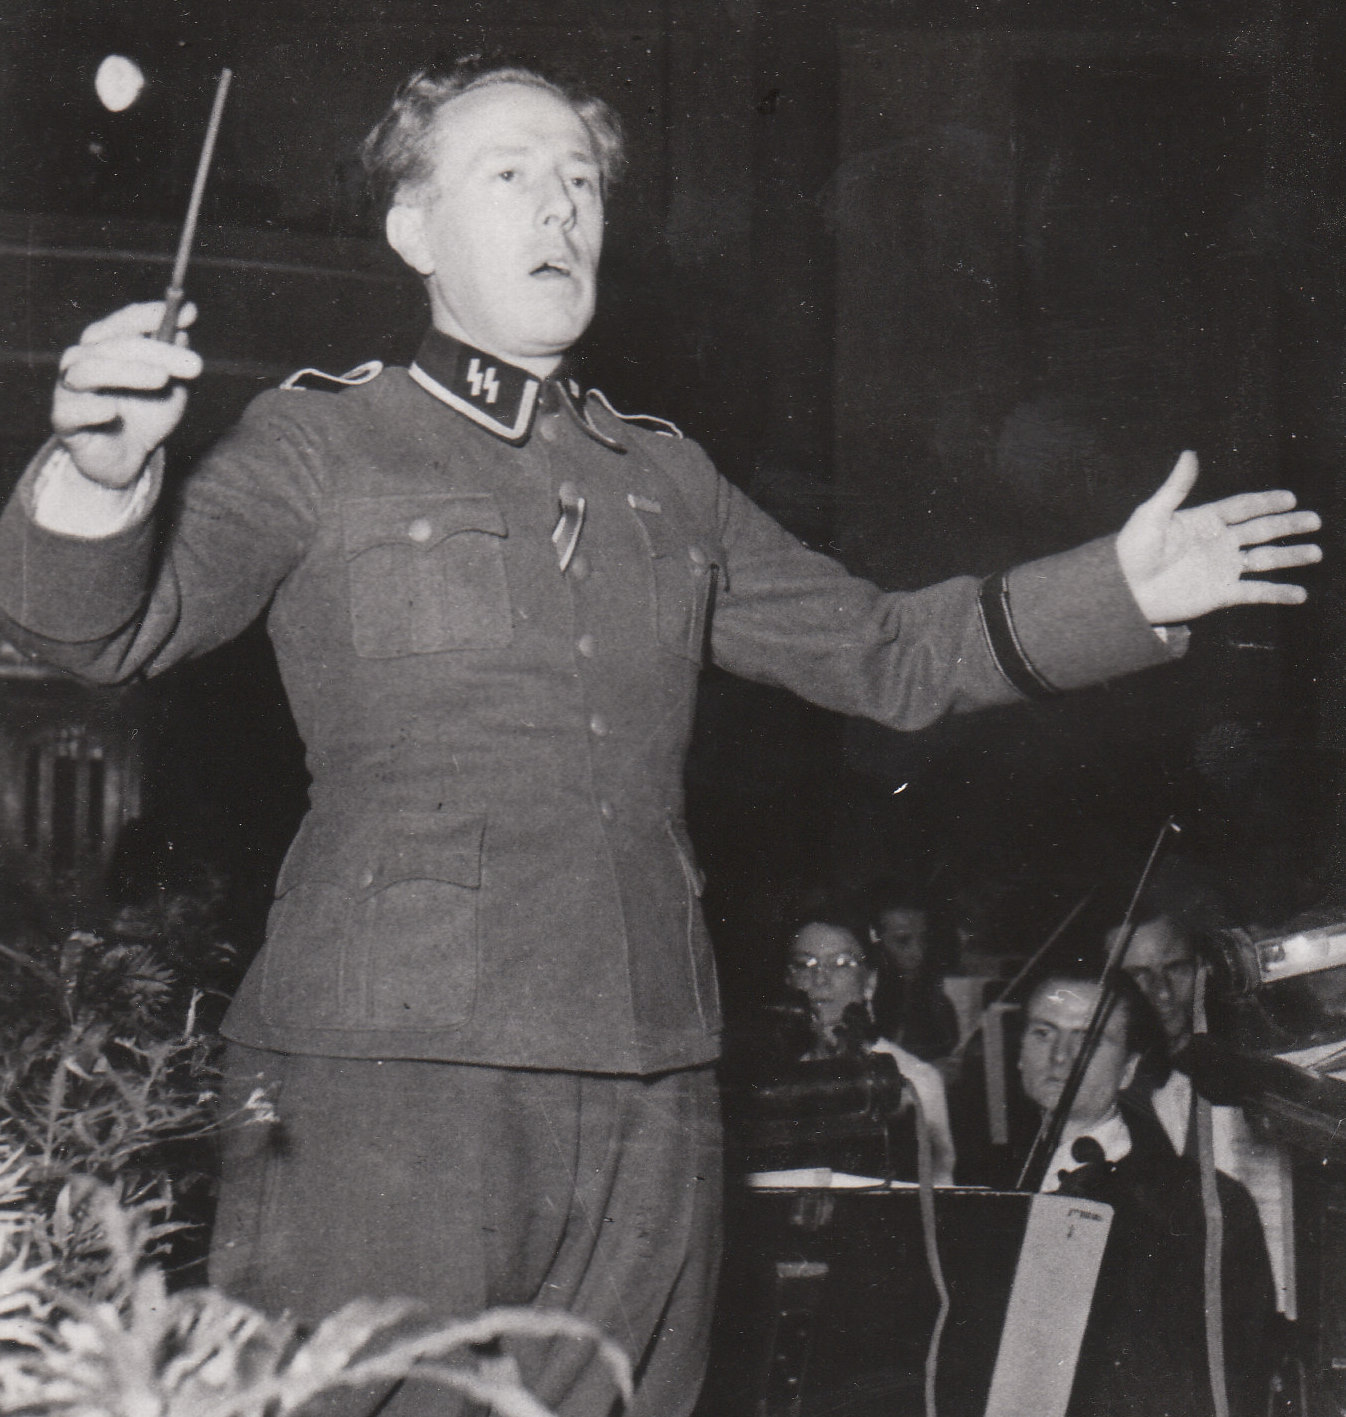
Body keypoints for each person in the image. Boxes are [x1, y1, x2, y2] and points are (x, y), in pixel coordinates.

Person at [0, 55, 1321, 1417]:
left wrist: (1114, 591)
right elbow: (98, 634)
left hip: (651, 1076)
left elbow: (883, 653)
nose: (558, 208)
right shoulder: (319, 442)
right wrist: (99, 473)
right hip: (393, 1075)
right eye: (509, 175)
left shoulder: (666, 478)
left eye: (580, 180)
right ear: (412, 229)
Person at [1018, 972, 1275, 1417]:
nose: (1059, 1056)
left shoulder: (1207, 1206)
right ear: (1019, 1054)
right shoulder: (977, 1179)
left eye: (1088, 1040)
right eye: (1043, 1033)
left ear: (1128, 1069)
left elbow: (1237, 1379)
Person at [1115, 911, 1295, 1312]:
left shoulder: (1245, 1082)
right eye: (1139, 976)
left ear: (1202, 969)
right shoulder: (1101, 1096)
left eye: (1175, 969)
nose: (1162, 993)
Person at [780, 912, 956, 1182]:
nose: (820, 979)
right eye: (805, 964)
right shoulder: (773, 1078)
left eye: (841, 964)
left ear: (870, 981)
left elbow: (937, 1188)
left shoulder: (917, 1080)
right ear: (788, 979)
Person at [866, 884, 960, 1060]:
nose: (918, 953)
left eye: (923, 939)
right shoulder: (862, 1002)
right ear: (875, 939)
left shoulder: (939, 1003)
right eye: (902, 941)